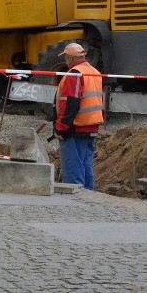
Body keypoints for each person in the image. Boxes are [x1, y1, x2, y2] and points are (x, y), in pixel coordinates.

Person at [52, 42, 104, 190]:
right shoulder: (94, 72)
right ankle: (89, 202)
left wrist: (60, 128)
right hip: (91, 128)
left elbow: (71, 103)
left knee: (73, 171)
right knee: (86, 167)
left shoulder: (75, 73)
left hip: (76, 129)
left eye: (66, 59)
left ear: (69, 58)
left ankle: (76, 207)